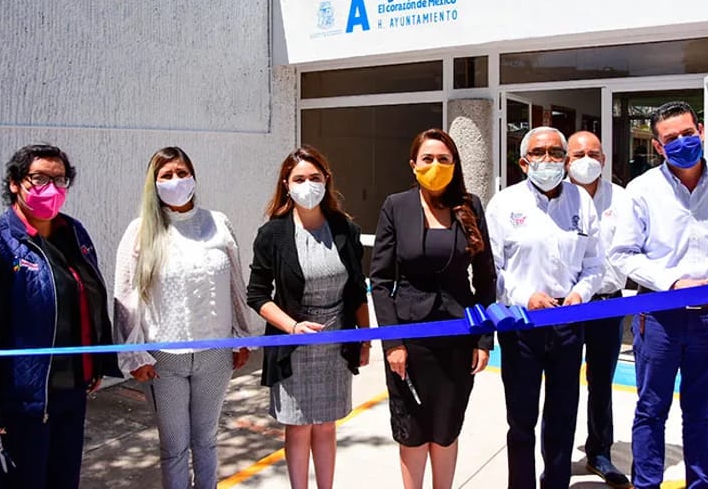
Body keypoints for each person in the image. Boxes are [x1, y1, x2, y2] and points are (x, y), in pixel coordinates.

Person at [609, 101, 708, 489]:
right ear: (658, 146)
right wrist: (673, 282)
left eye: (688, 133)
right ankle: (647, 484)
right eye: (671, 138)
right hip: (660, 315)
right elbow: (623, 253)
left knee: (700, 410)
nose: (682, 143)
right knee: (651, 409)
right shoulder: (642, 190)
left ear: (701, 131)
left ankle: (700, 484)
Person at [113, 146, 255, 489]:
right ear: (153, 183)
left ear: (193, 177)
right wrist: (133, 355)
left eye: (182, 173)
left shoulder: (217, 223)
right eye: (166, 175)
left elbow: (235, 284)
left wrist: (243, 335)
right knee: (174, 447)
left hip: (215, 354)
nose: (176, 180)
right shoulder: (140, 231)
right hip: (164, 359)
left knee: (206, 440)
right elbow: (125, 297)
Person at [0, 144, 120, 489]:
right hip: (22, 401)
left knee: (64, 480)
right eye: (39, 178)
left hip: (72, 392)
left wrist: (95, 361)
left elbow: (90, 297)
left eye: (59, 179)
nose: (51, 187)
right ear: (15, 183)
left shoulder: (73, 233)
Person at [370, 128, 496, 489]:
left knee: (446, 428)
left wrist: (483, 340)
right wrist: (392, 343)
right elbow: (380, 280)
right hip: (410, 342)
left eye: (444, 159)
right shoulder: (396, 206)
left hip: (458, 338)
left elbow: (486, 277)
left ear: (454, 164)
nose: (435, 165)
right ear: (413, 164)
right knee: (412, 431)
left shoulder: (470, 205)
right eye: (428, 158)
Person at [485, 126, 603, 489]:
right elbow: (492, 270)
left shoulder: (582, 202)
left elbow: (595, 264)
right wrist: (525, 297)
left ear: (566, 161)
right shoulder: (504, 204)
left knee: (562, 417)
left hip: (568, 325)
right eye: (539, 152)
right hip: (522, 326)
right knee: (521, 421)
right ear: (524, 162)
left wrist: (580, 294)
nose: (547, 159)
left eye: (555, 152)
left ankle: (556, 482)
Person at [247, 145, 370, 489]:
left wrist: (364, 339)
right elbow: (257, 295)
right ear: (286, 185)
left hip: (335, 345)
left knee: (327, 425)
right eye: (299, 179)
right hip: (294, 347)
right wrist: (292, 327)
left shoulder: (344, 229)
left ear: (326, 181)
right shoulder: (272, 234)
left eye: (315, 177)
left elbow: (357, 290)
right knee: (299, 426)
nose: (308, 185)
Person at [566, 131, 631, 489]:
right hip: (567, 306)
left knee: (601, 380)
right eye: (578, 154)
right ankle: (558, 453)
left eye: (593, 153)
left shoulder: (623, 199)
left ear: (604, 160)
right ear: (567, 161)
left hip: (608, 301)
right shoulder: (556, 199)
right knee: (562, 381)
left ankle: (600, 451)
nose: (586, 160)